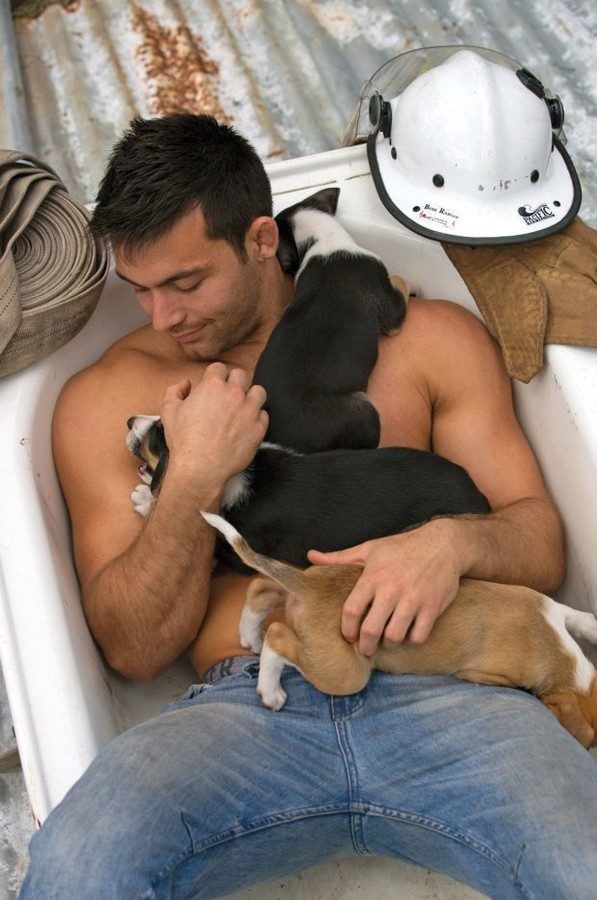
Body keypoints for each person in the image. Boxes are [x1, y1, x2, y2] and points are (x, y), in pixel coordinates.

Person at [21, 113, 597, 899]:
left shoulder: (427, 341)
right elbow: (133, 647)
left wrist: (449, 545)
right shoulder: (106, 398)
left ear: (262, 240)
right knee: (77, 869)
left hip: (452, 687)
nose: (162, 317)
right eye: (140, 291)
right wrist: (192, 476)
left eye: (185, 283)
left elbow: (539, 544)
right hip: (247, 710)